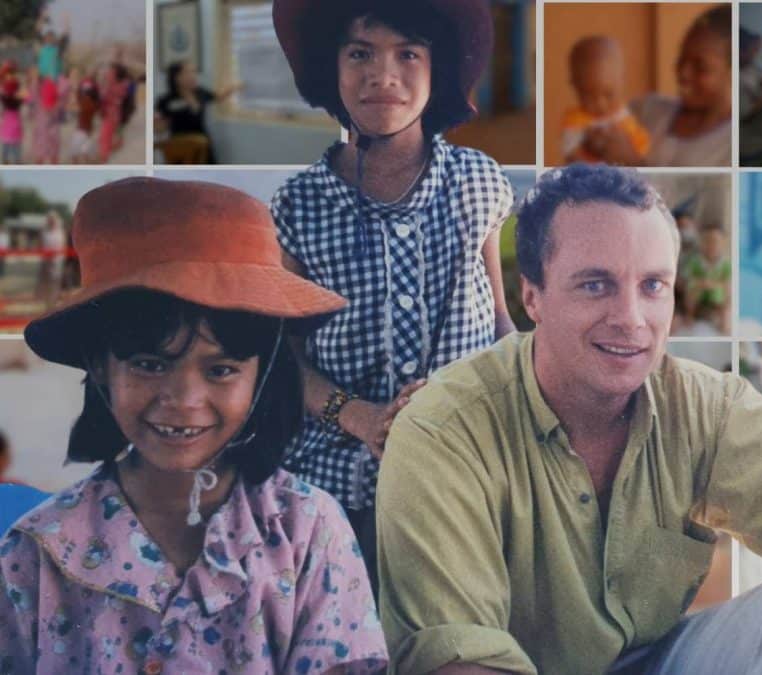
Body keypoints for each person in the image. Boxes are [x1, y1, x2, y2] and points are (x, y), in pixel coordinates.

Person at [377, 164, 762, 675]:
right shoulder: (442, 430)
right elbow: (458, 659)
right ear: (532, 297)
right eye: (595, 285)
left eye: (653, 285)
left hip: (655, 663)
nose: (631, 319)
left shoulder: (703, 406)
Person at [0, 177, 387, 673]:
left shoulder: (309, 532)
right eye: (149, 364)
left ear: (262, 372)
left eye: (220, 369)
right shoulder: (36, 551)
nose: (184, 400)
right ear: (100, 366)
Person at [271, 0, 516, 587]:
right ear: (332, 67)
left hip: (466, 479)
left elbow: (502, 323)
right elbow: (283, 353)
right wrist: (360, 418)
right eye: (360, 53)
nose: (383, 75)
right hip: (337, 489)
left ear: (440, 69)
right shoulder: (299, 206)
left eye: (408, 53)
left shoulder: (478, 182)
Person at [593, 5, 732, 167]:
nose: (683, 73)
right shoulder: (646, 110)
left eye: (700, 66)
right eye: (682, 59)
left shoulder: (731, 146)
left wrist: (632, 163)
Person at [561, 36, 650, 164]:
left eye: (609, 94)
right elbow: (570, 157)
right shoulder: (574, 121)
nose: (600, 103)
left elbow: (640, 147)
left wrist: (628, 152)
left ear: (621, 82)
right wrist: (587, 148)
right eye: (588, 96)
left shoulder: (623, 115)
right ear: (575, 87)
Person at [155, 60, 241, 164]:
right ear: (176, 77)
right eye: (188, 72)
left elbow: (219, 96)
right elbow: (159, 128)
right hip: (180, 147)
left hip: (203, 144)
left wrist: (235, 86)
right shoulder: (165, 100)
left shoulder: (201, 93)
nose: (193, 76)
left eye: (194, 72)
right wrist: (158, 126)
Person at [739, 27, 762, 166]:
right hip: (748, 142)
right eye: (752, 50)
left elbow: (761, 82)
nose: (754, 54)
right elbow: (745, 115)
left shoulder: (751, 67)